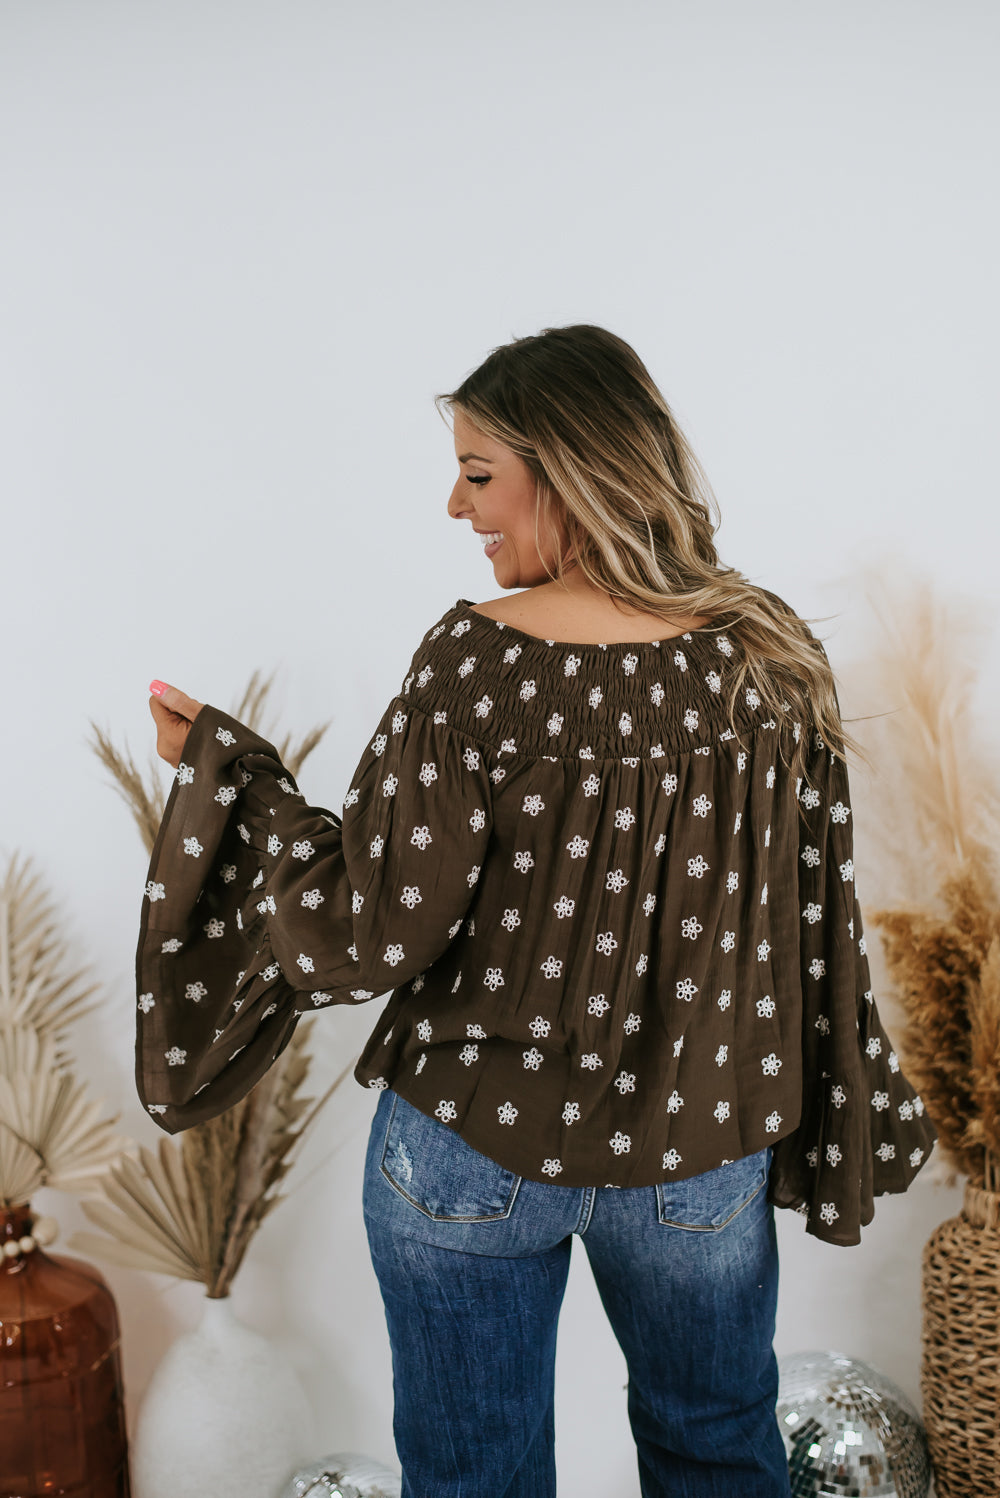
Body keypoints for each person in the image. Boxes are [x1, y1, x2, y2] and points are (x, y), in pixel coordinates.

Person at [139, 324, 934, 1498]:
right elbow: (809, 930)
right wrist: (824, 1110)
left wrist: (235, 779)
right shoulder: (765, 657)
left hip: (466, 1145)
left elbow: (370, 929)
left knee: (474, 1478)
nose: (456, 507)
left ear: (567, 470)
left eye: (477, 474)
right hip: (696, 1148)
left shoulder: (472, 664)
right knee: (719, 1449)